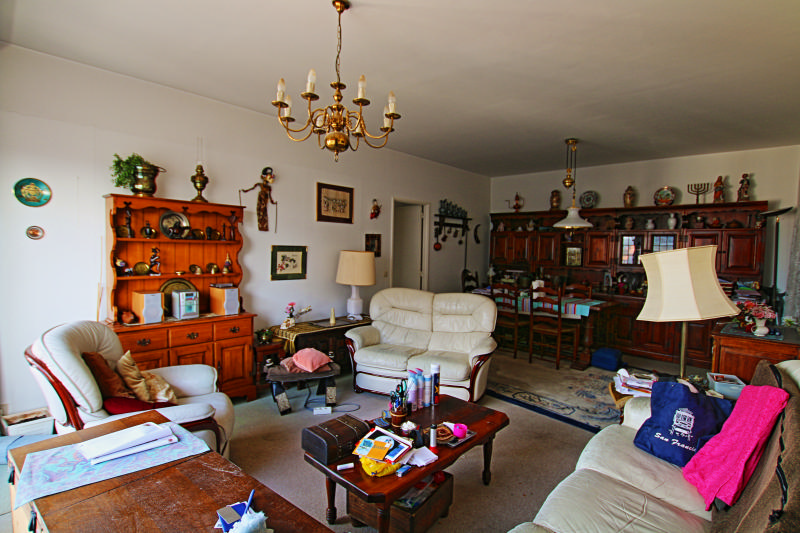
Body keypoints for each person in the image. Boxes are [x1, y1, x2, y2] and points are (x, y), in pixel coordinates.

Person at [240, 167, 278, 231]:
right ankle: (261, 226)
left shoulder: (269, 187)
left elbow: (270, 196)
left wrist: (273, 202)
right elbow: (252, 188)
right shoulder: (260, 184)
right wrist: (245, 191)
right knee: (260, 211)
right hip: (261, 198)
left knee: (264, 212)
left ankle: (264, 226)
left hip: (265, 199)